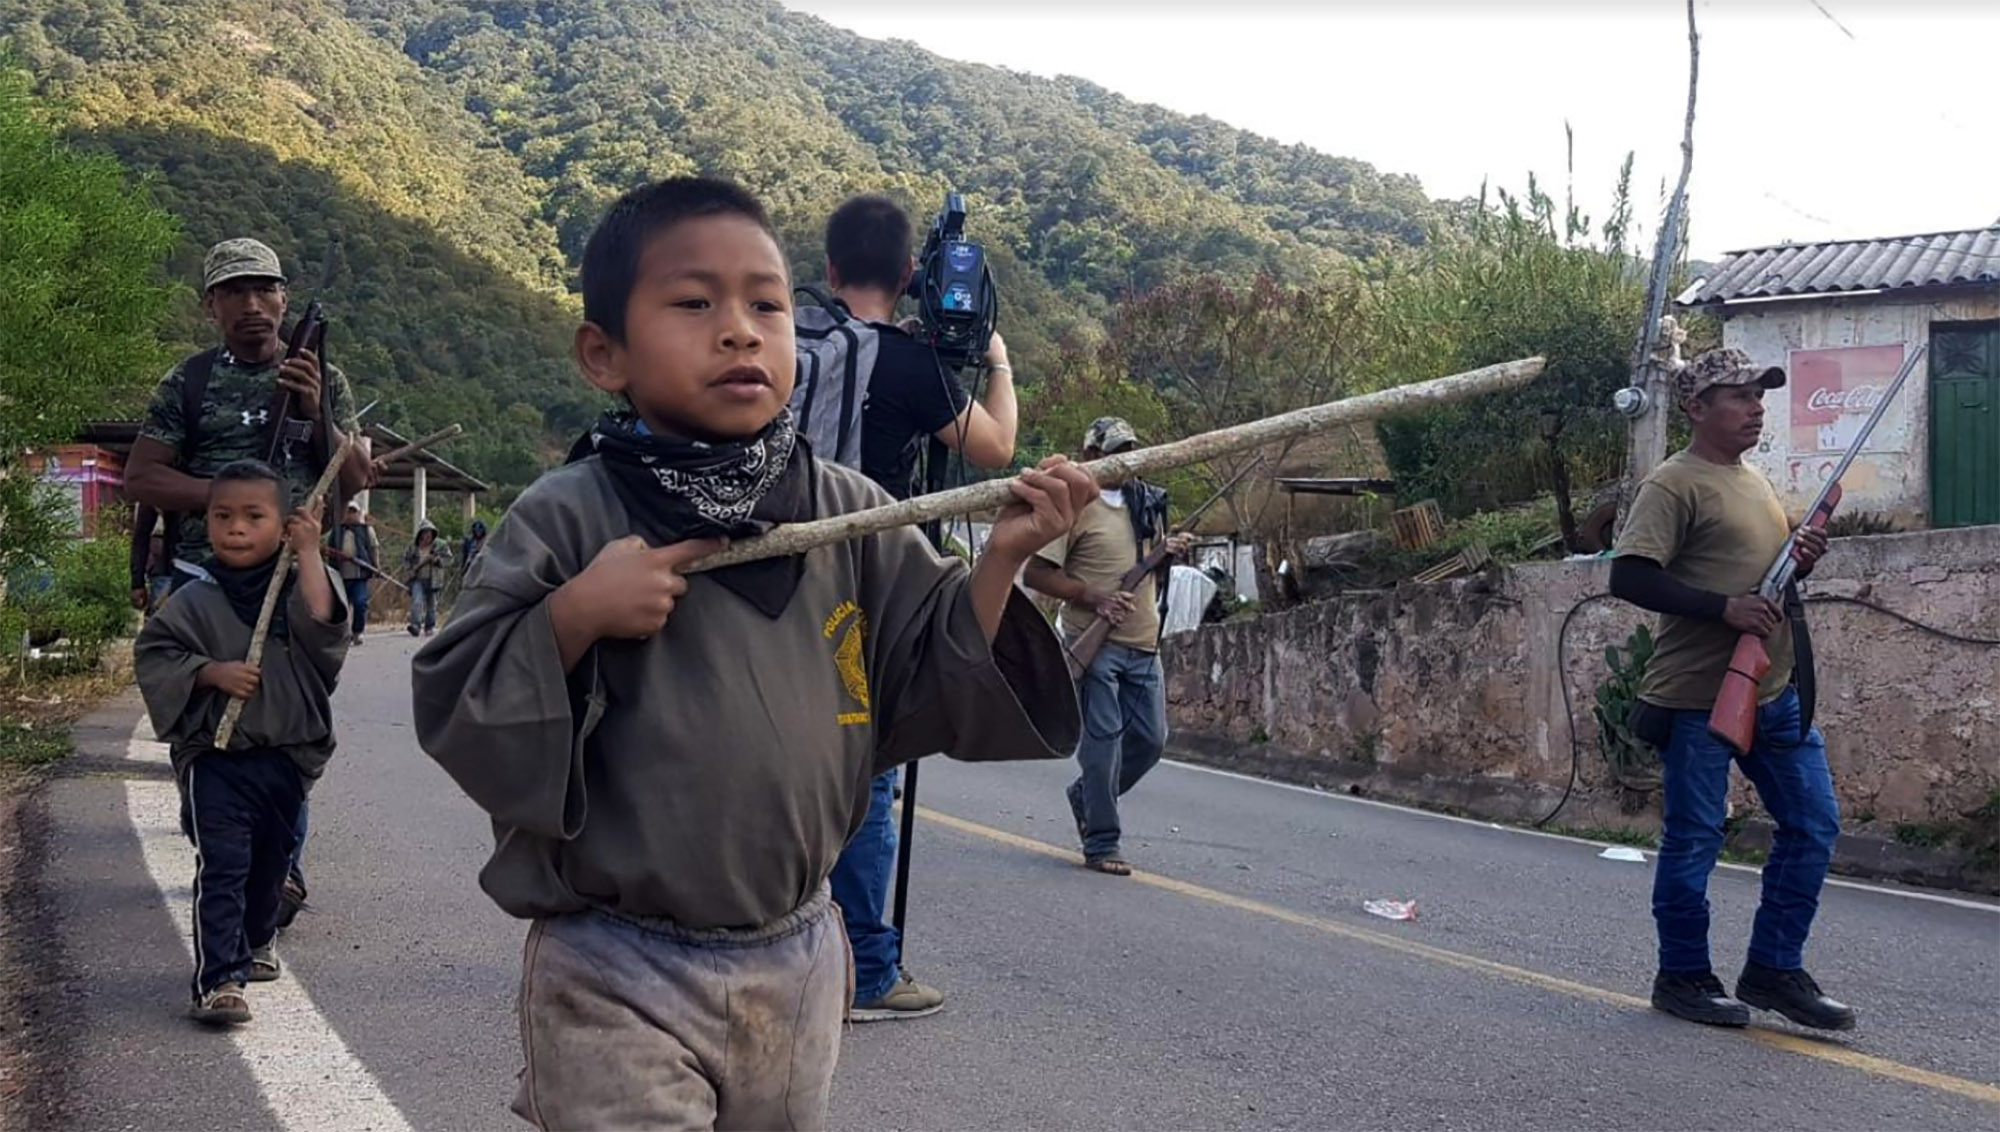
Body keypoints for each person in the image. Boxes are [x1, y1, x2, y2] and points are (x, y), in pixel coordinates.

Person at [409, 176, 1086, 1131]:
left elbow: (935, 658)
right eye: (694, 304)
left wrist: (1008, 554)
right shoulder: (571, 513)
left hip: (800, 956)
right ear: (604, 353)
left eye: (765, 304)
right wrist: (572, 615)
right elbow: (457, 696)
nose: (739, 330)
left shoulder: (850, 510)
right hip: (615, 960)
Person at [820, 193, 1022, 1022]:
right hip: (867, 594)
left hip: (776, 585)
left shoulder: (792, 346)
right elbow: (997, 448)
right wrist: (995, 359)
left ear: (828, 269)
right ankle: (868, 970)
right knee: (871, 775)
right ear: (910, 276)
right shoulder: (908, 364)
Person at [1610, 347, 1853, 1033]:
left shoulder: (1751, 479)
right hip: (1696, 697)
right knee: (1694, 840)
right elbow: (1628, 576)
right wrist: (1724, 609)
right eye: (1739, 396)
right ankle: (1682, 977)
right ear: (1695, 407)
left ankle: (1774, 970)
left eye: (1759, 395)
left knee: (1813, 827)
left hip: (1773, 690)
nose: (1755, 407)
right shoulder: (1673, 484)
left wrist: (1796, 563)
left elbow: (1764, 586)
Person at [133, 460, 350, 1026]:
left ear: (283, 526)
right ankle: (219, 980)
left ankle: (257, 941)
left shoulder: (291, 591)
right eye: (222, 516)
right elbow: (156, 655)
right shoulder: (193, 601)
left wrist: (308, 553)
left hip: (285, 756)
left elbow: (326, 624)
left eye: (254, 517)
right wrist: (209, 673)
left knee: (269, 867)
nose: (235, 528)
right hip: (216, 757)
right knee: (223, 864)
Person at [124, 237, 373, 588]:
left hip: (295, 571)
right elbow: (140, 477)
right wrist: (230, 497)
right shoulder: (187, 381)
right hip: (204, 576)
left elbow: (357, 477)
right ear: (210, 305)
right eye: (235, 292)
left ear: (283, 300)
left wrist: (317, 415)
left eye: (264, 290)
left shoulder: (325, 378)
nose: (252, 305)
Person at [1023, 417, 1191, 876]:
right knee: (1103, 745)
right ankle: (1102, 840)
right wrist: (1093, 596)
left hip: (1142, 642)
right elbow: (1036, 574)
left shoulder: (1147, 503)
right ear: (1090, 456)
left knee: (1151, 741)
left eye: (1129, 449)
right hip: (1092, 643)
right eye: (1113, 450)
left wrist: (1168, 553)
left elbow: (1151, 572)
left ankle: (1088, 798)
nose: (1123, 459)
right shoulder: (1074, 505)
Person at [333, 501, 381, 646]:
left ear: (358, 514)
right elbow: (329, 549)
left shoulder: (367, 530)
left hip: (359, 575)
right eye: (348, 511)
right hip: (340, 576)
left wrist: (376, 566)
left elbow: (374, 549)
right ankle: (341, 635)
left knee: (360, 603)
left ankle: (357, 632)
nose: (350, 514)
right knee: (340, 608)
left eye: (353, 511)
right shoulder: (337, 530)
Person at [402, 520, 452, 637]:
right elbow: (405, 560)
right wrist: (410, 570)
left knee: (431, 605)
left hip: (433, 580)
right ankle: (416, 625)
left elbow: (449, 559)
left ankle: (429, 626)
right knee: (417, 602)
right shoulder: (413, 547)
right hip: (417, 580)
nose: (427, 535)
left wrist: (437, 560)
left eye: (429, 533)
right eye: (425, 533)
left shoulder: (440, 545)